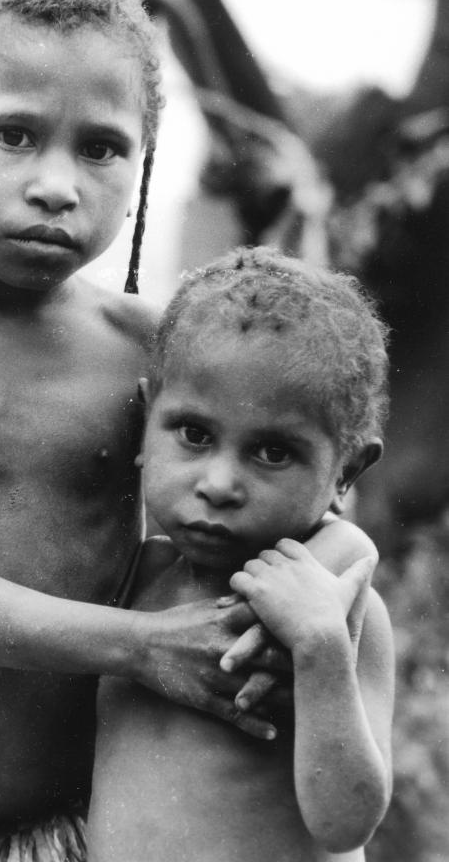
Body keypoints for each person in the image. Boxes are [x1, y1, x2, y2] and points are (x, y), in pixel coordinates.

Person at [0, 0, 377, 861]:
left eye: (103, 148)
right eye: (14, 133)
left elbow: (282, 479)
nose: (57, 185)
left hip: (104, 824)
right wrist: (142, 644)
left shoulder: (152, 347)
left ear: (143, 168)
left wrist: (344, 557)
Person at [87, 246, 395, 862]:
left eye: (273, 452)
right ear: (148, 421)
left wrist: (322, 651)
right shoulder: (136, 578)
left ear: (347, 471)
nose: (220, 484)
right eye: (195, 435)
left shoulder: (339, 611)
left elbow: (345, 823)